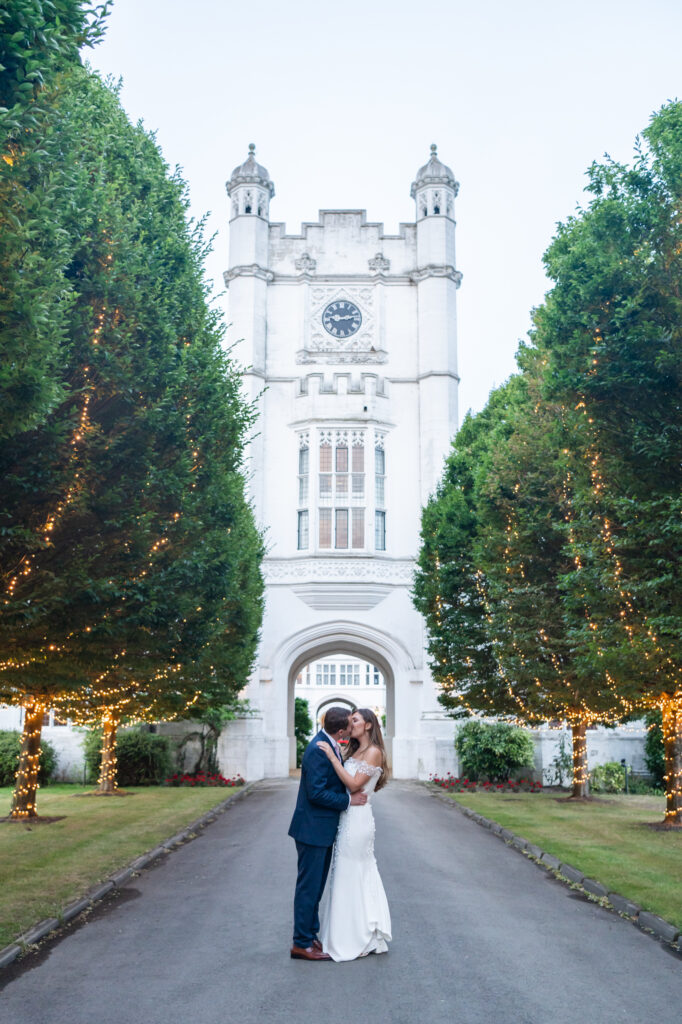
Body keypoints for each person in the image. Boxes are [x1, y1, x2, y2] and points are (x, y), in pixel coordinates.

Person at [288, 705, 368, 961]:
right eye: (350, 723)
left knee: (316, 888)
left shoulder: (330, 744)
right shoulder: (317, 749)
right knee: (309, 888)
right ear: (342, 729)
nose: (353, 726)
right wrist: (347, 801)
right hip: (312, 829)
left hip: (320, 829)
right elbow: (316, 793)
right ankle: (301, 943)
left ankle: (310, 935)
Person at [316, 708, 392, 962]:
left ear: (369, 725)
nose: (351, 724)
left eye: (355, 720)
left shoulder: (374, 752)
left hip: (359, 820)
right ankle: (346, 932)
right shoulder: (354, 749)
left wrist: (333, 757)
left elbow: (353, 784)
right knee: (344, 874)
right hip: (346, 818)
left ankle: (363, 935)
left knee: (356, 871)